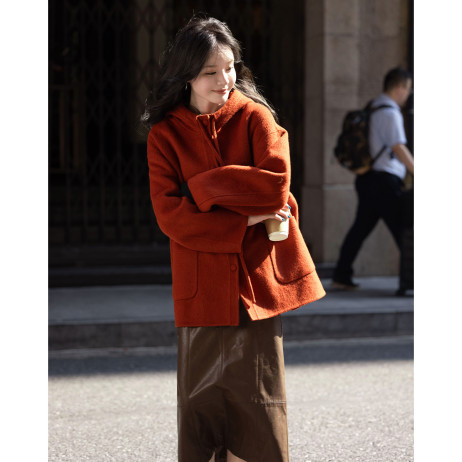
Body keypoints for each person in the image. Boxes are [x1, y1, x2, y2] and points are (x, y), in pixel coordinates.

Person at [141, 15, 325, 462]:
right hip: (201, 284)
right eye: (211, 71)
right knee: (200, 407)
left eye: (229, 67)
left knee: (259, 407)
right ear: (187, 74)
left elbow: (274, 187)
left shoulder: (254, 116)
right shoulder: (164, 135)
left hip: (254, 285)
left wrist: (202, 189)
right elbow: (171, 216)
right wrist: (245, 219)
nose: (225, 80)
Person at [331, 67, 414, 290]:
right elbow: (398, 147)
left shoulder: (373, 107)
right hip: (384, 182)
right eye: (408, 90)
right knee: (403, 229)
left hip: (368, 179)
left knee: (360, 229)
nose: (407, 95)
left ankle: (341, 274)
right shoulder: (391, 113)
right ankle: (414, 277)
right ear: (400, 87)